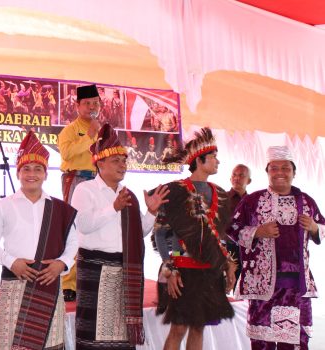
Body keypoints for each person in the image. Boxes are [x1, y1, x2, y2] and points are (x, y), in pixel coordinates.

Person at [72, 124, 169, 349]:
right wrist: (113, 208)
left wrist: (151, 212)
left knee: (121, 338)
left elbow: (138, 234)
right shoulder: (84, 190)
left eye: (124, 161)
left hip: (123, 270)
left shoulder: (129, 196)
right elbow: (83, 225)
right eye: (116, 161)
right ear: (100, 163)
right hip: (95, 270)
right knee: (93, 335)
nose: (122, 165)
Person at [0, 130, 79, 349]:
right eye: (26, 169)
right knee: (15, 343)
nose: (31, 174)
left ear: (46, 174)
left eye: (38, 169)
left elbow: (73, 242)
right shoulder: (3, 206)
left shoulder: (61, 209)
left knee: (51, 343)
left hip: (49, 283)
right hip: (15, 283)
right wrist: (11, 261)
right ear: (18, 173)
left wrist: (61, 264)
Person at [227, 146, 324, 350]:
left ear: (294, 172)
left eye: (286, 168)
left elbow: (323, 227)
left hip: (297, 288)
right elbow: (232, 230)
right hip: (263, 288)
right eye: (274, 168)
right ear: (267, 172)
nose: (280, 172)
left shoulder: (307, 201)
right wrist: (257, 232)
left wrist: (315, 228)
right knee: (263, 343)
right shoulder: (252, 201)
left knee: (295, 343)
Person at [152, 127, 236, 350]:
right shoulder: (175, 190)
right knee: (179, 328)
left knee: (199, 326)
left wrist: (228, 264)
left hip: (210, 270)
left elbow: (221, 236)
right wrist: (171, 267)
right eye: (214, 157)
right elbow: (161, 233)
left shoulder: (221, 193)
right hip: (183, 268)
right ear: (199, 160)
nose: (218, 161)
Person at [58, 83, 101, 301]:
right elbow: (66, 153)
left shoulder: (105, 130)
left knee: (97, 229)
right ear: (77, 106)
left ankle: (92, 279)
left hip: (98, 181)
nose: (92, 107)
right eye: (87, 103)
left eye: (95, 103)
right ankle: (69, 283)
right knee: (73, 230)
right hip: (75, 179)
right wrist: (89, 137)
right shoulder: (70, 130)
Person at [225, 164, 251, 288]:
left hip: (247, 250)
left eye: (241, 175)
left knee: (243, 289)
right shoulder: (221, 199)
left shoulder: (254, 202)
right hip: (225, 250)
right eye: (234, 175)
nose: (237, 178)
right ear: (230, 179)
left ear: (249, 181)